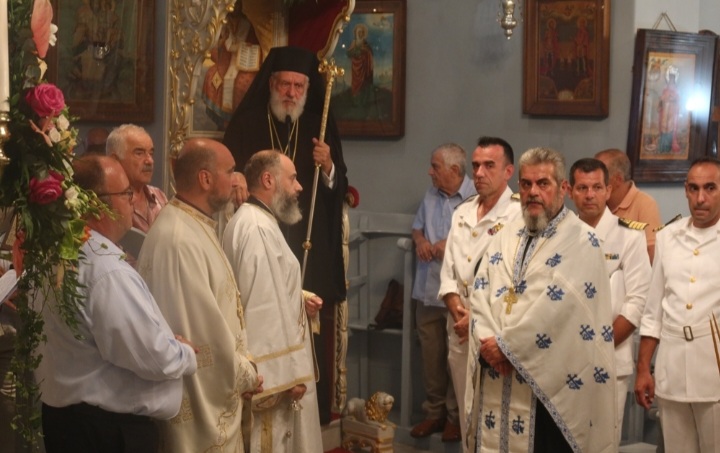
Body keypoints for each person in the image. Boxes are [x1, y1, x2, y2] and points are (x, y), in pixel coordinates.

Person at [35, 155, 198, 453]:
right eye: (125, 193)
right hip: (107, 431)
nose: (133, 202)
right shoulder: (106, 271)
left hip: (65, 421)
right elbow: (151, 356)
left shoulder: (57, 254)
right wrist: (184, 352)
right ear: (97, 205)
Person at [223, 45, 348, 423]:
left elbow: (339, 184)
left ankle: (312, 411)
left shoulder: (317, 125)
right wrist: (236, 176)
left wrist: (329, 165)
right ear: (272, 84)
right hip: (260, 238)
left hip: (307, 240)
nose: (291, 93)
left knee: (307, 321)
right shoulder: (248, 122)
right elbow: (227, 168)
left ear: (307, 89)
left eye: (298, 86)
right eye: (285, 85)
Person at [466, 147, 617, 453]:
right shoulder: (504, 235)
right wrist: (488, 341)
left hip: (549, 390)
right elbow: (480, 291)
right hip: (497, 371)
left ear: (563, 188)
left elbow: (556, 310)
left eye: (543, 183)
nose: (533, 192)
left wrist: (507, 346)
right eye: (526, 184)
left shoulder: (582, 240)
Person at [137, 138, 262, 453]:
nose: (236, 181)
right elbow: (201, 334)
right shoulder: (179, 240)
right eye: (230, 171)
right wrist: (246, 374)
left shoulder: (192, 224)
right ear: (205, 179)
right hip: (195, 413)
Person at [223, 150, 323, 452]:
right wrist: (287, 376)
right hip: (272, 381)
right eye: (292, 178)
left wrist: (299, 298)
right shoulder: (257, 228)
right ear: (268, 180)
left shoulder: (254, 221)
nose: (299, 187)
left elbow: (259, 289)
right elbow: (262, 307)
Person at [438, 136, 521, 449]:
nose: (479, 173)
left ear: (508, 171)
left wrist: (475, 317)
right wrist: (458, 311)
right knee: (466, 414)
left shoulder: (519, 215)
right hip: (459, 328)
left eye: (489, 165)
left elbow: (516, 281)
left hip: (493, 330)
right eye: (475, 166)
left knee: (495, 418)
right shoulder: (462, 212)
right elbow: (448, 273)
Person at [635, 157, 720, 452]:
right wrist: (643, 369)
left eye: (710, 188)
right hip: (671, 368)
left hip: (714, 369)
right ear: (685, 190)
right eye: (694, 188)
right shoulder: (668, 237)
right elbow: (653, 310)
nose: (701, 198)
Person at [569, 158, 652, 444]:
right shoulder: (560, 234)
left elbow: (638, 300)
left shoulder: (629, 235)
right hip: (566, 358)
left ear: (608, 190)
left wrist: (601, 346)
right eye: (582, 188)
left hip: (611, 357)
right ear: (570, 191)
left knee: (604, 442)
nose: (589, 195)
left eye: (596, 187)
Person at [410, 143, 475, 442]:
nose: (430, 172)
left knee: (457, 359)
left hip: (457, 295)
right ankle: (434, 413)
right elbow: (417, 228)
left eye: (435, 167)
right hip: (427, 288)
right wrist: (421, 241)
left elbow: (479, 236)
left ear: (454, 170)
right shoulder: (430, 194)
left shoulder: (475, 197)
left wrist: (449, 244)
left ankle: (455, 418)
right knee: (431, 357)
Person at [595, 148, 662, 262]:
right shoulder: (594, 201)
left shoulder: (645, 203)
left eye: (600, 176)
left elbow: (651, 254)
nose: (594, 181)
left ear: (618, 179)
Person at [106, 124, 168, 233]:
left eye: (151, 153)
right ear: (115, 160)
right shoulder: (107, 202)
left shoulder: (159, 196)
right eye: (139, 153)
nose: (150, 161)